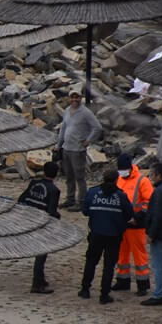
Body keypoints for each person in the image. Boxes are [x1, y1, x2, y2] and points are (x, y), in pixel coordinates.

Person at [79, 169, 134, 305]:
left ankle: (85, 289)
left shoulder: (93, 192)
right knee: (109, 266)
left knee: (91, 261)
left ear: (103, 178)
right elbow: (128, 214)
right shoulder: (120, 196)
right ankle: (104, 294)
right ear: (116, 180)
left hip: (96, 233)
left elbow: (85, 211)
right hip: (114, 235)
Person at [17, 161, 61, 294]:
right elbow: (51, 212)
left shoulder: (34, 183)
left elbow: (21, 199)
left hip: (29, 220)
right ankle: (37, 284)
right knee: (41, 255)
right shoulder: (54, 190)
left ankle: (40, 279)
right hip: (42, 225)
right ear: (56, 174)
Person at [112, 153, 153, 296]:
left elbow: (149, 202)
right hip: (122, 223)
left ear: (130, 168)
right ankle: (123, 281)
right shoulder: (119, 179)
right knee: (121, 254)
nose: (121, 172)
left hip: (137, 224)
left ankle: (142, 285)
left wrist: (137, 216)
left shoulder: (142, 181)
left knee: (139, 255)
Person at [57, 89, 103, 211]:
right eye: (72, 97)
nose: (75, 100)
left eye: (77, 97)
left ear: (81, 98)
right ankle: (70, 199)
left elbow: (97, 127)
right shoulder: (67, 110)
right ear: (69, 98)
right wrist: (58, 144)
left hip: (77, 150)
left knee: (79, 177)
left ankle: (81, 202)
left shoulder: (86, 112)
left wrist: (88, 141)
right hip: (66, 147)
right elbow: (63, 128)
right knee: (69, 176)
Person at [144, 163, 162, 306]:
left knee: (158, 265)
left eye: (152, 175)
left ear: (159, 176)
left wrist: (151, 234)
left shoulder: (159, 192)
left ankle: (159, 294)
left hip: (160, 234)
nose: (150, 178)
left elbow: (157, 215)